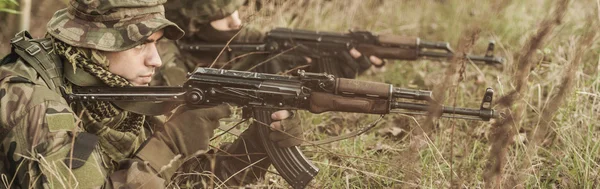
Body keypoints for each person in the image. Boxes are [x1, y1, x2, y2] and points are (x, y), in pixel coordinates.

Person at [0, 0, 301, 188]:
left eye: (156, 44)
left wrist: (260, 142)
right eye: (139, 44)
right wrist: (169, 144)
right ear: (96, 45)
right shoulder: (33, 99)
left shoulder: (110, 91)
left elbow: (179, 180)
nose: (155, 60)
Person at [152, 0, 384, 87]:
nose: (237, 22)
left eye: (237, 11)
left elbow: (262, 57)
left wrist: (323, 66)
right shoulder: (159, 52)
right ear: (191, 22)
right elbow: (183, 92)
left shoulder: (236, 38)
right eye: (222, 15)